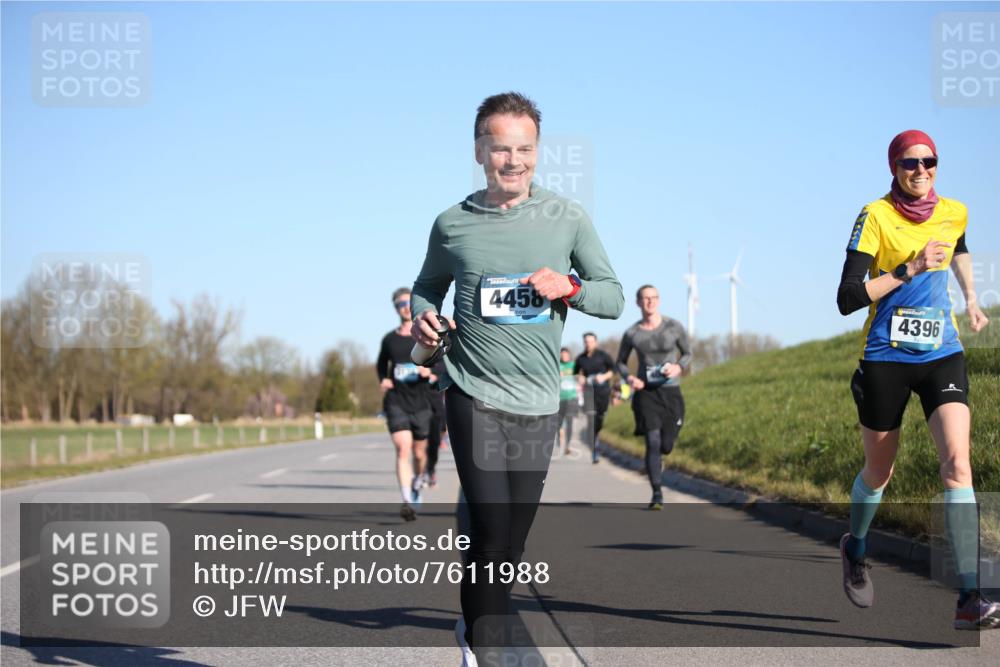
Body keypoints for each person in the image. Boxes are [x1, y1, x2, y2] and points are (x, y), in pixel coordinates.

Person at [410, 91, 623, 664]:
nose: (513, 160)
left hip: (537, 399)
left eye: (524, 149)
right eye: (500, 148)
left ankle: (474, 625)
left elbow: (612, 295)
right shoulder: (452, 224)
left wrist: (570, 288)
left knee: (509, 544)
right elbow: (428, 286)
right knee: (489, 529)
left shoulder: (567, 217)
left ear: (537, 151)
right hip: (471, 391)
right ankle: (485, 648)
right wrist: (424, 319)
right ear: (479, 150)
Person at [836, 129, 996, 629]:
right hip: (886, 355)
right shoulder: (875, 217)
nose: (921, 170)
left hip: (941, 352)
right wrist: (907, 269)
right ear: (894, 167)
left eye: (929, 161)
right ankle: (856, 547)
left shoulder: (954, 210)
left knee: (958, 466)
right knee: (878, 473)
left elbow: (961, 246)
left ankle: (969, 597)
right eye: (910, 163)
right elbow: (847, 297)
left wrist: (970, 297)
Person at [616, 284, 691, 510]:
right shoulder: (632, 333)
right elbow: (620, 362)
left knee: (666, 445)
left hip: (671, 391)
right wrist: (629, 379)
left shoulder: (673, 326)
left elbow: (688, 353)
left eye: (654, 298)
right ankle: (657, 492)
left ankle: (661, 460)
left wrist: (678, 368)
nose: (650, 302)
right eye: (645, 298)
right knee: (653, 441)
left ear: (659, 300)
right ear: (638, 302)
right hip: (646, 392)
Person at [376, 287, 433, 522]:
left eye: (408, 302)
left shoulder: (424, 335)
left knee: (420, 454)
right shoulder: (389, 340)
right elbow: (381, 364)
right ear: (396, 309)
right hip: (397, 401)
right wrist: (384, 380)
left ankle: (418, 480)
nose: (405, 307)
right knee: (403, 449)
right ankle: (407, 500)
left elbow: (439, 363)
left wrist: (428, 371)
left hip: (420, 401)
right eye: (400, 304)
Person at [574, 332, 616, 463]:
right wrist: (580, 378)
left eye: (590, 341)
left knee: (599, 419)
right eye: (586, 342)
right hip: (588, 393)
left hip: (603, 392)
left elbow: (613, 370)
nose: (588, 344)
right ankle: (595, 449)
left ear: (595, 342)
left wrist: (603, 377)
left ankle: (596, 435)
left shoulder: (603, 356)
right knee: (592, 419)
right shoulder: (580, 358)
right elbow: (575, 374)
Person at [425, 358, 449, 489]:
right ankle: (421, 472)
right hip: (417, 405)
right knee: (419, 445)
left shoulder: (445, 359)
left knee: (433, 445)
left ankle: (431, 470)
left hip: (437, 407)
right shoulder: (417, 353)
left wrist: (436, 377)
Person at [557, 347, 579, 455]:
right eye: (562, 355)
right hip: (560, 398)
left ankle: (568, 445)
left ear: (569, 355)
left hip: (572, 397)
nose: (564, 356)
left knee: (570, 421)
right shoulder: (557, 366)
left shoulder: (574, 365)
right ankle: (561, 441)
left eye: (566, 354)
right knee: (559, 423)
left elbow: (580, 376)